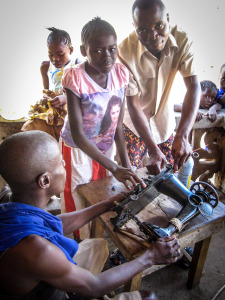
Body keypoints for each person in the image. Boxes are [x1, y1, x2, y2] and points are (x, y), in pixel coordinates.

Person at [0, 131, 181, 300]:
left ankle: (71, 280)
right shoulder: (37, 250)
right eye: (60, 163)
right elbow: (94, 286)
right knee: (147, 296)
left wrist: (108, 204)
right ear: (45, 180)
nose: (64, 165)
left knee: (98, 246)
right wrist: (151, 256)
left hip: (43, 276)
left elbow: (52, 224)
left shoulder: (12, 204)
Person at [60, 17, 145, 237]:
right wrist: (115, 167)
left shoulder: (120, 73)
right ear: (83, 50)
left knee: (100, 191)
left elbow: (117, 122)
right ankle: (77, 244)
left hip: (105, 145)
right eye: (98, 50)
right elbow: (78, 135)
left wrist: (126, 166)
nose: (107, 56)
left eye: (112, 49)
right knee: (77, 193)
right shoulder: (75, 77)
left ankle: (95, 236)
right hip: (78, 148)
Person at [118, 0, 200, 175]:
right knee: (131, 181)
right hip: (134, 127)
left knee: (170, 177)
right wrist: (152, 149)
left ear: (168, 18)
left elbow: (193, 87)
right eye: (142, 30)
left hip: (165, 126)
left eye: (159, 25)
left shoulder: (182, 40)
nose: (153, 35)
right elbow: (133, 104)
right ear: (134, 27)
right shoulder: (124, 51)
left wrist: (183, 135)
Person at [21, 27, 80, 141]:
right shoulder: (45, 67)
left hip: (71, 104)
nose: (55, 59)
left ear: (71, 50)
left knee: (67, 133)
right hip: (53, 106)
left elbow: (85, 92)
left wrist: (66, 98)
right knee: (33, 127)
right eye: (51, 54)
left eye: (60, 54)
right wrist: (46, 98)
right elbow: (46, 90)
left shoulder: (77, 65)